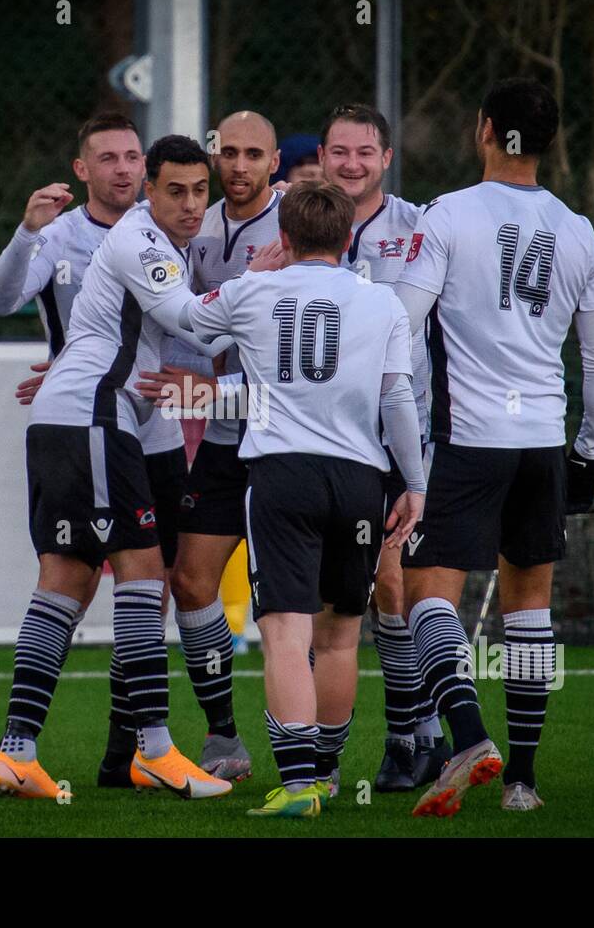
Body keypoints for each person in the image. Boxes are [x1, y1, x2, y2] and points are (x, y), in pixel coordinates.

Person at [0, 135, 233, 801]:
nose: (188, 204)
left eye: (199, 191)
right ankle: (152, 747)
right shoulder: (139, 239)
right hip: (93, 416)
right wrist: (269, 286)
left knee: (66, 577)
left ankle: (17, 751)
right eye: (174, 189)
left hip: (93, 417)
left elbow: (182, 335)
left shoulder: (163, 242)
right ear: (149, 191)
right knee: (142, 572)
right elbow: (188, 321)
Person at [393, 77, 594, 815]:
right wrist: (586, 450)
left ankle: (466, 736)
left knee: (428, 590)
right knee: (529, 606)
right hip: (544, 441)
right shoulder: (580, 231)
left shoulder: (448, 216)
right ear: (548, 141)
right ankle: (523, 781)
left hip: (469, 437)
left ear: (484, 129)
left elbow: (403, 322)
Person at [182, 181, 426, 817]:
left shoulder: (254, 289)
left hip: (282, 475)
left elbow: (190, 322)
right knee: (342, 633)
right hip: (360, 478)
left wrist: (253, 272)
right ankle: (328, 771)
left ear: (281, 239)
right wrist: (416, 483)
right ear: (348, 240)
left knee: (286, 632)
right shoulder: (384, 303)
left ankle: (297, 788)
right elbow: (399, 399)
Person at [136, 110, 284, 781]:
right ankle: (223, 735)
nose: (239, 165)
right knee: (191, 578)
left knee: (312, 603)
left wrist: (208, 383)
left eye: (255, 153)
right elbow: (178, 327)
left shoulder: (299, 226)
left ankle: (395, 738)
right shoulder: (187, 229)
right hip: (227, 438)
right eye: (229, 151)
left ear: (276, 162)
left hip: (290, 440)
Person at [318, 103, 448, 791]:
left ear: (386, 158)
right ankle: (371, 742)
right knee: (336, 597)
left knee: (391, 583)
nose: (351, 164)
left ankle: (408, 737)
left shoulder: (420, 226)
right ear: (323, 155)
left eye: (364, 152)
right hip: (325, 435)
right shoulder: (302, 223)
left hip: (400, 432)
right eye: (339, 152)